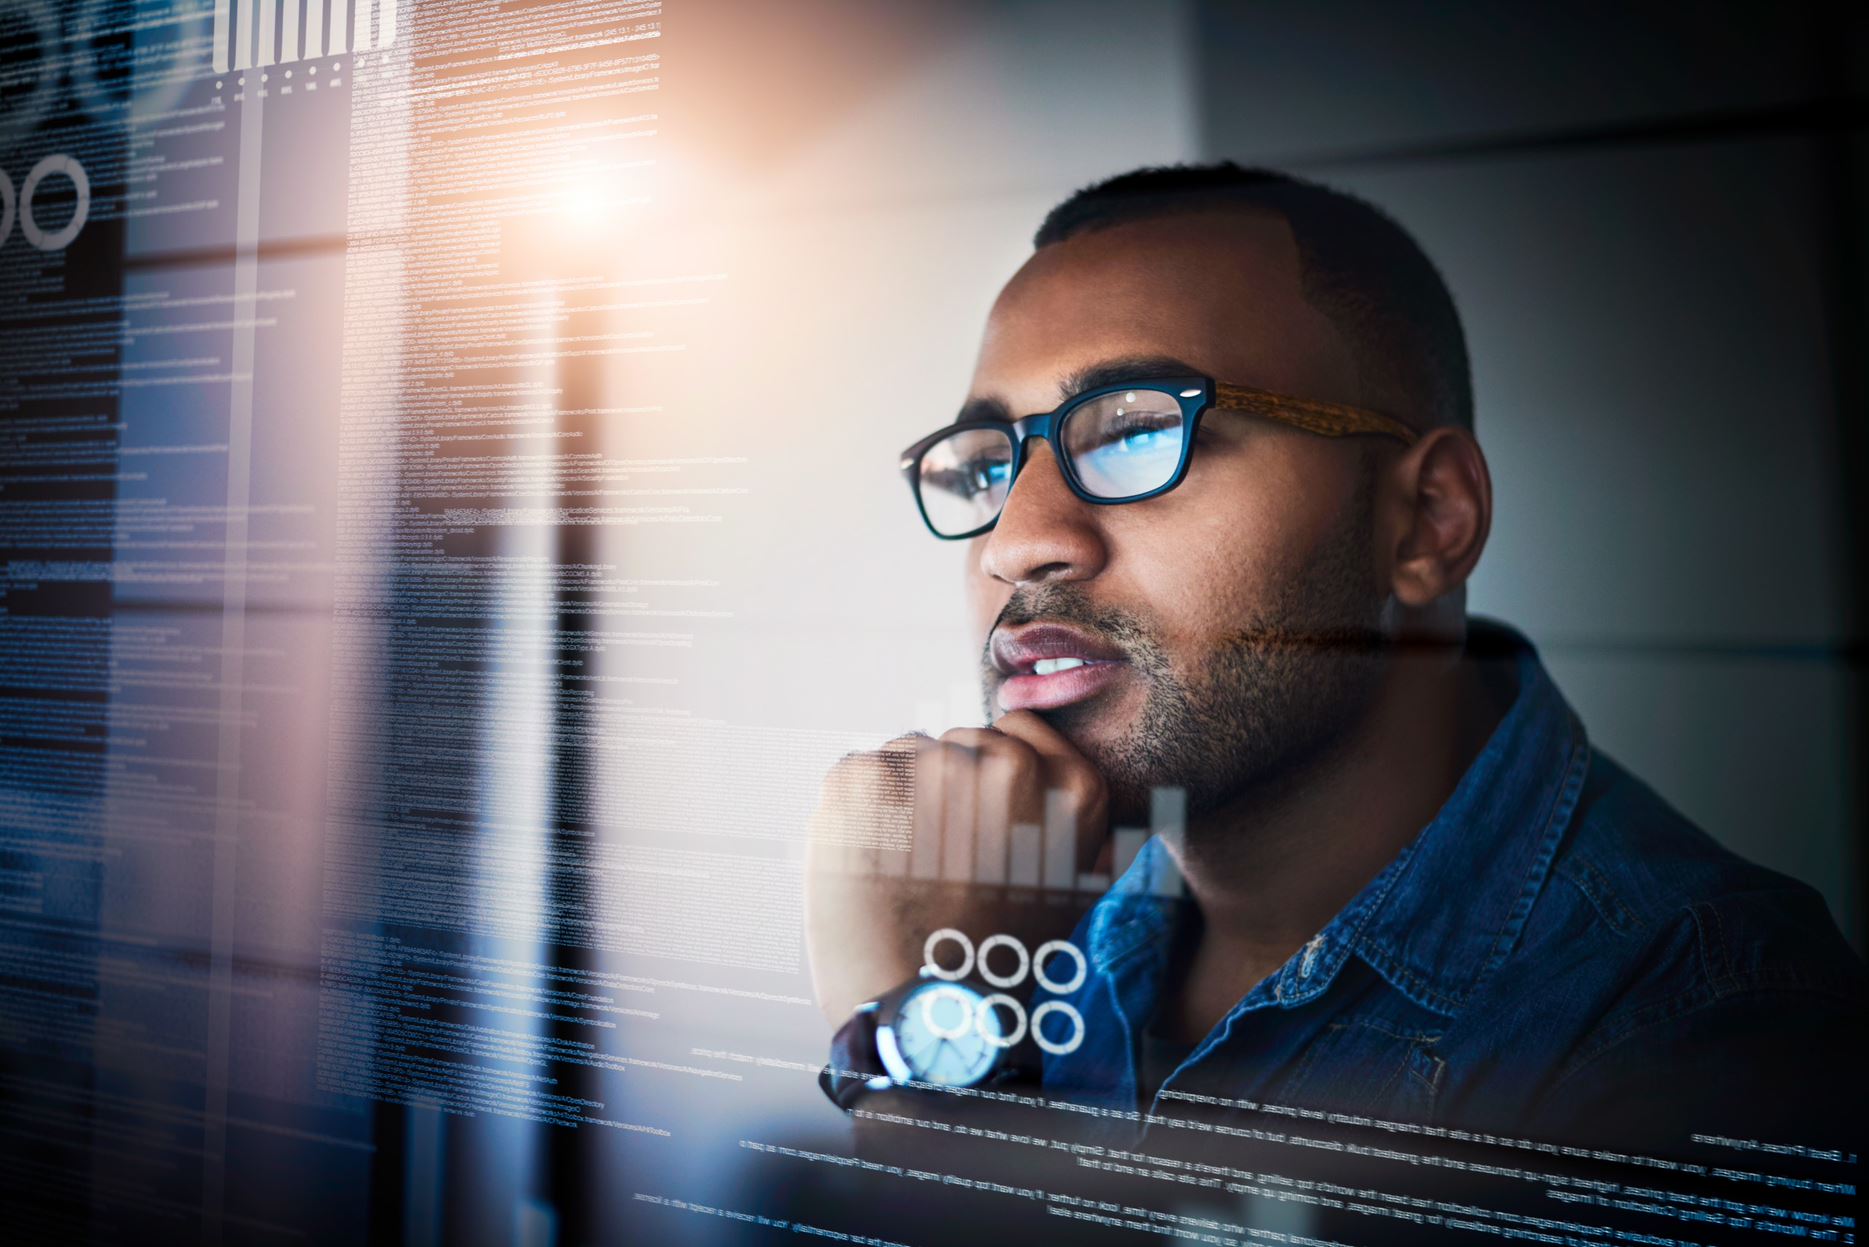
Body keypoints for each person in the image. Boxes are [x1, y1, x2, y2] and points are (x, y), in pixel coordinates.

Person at [803, 163, 1866, 1153]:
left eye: (1132, 432)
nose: (1017, 540)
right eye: (991, 463)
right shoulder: (1004, 894)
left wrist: (912, 1050)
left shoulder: (1705, 1036)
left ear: (1426, 520)